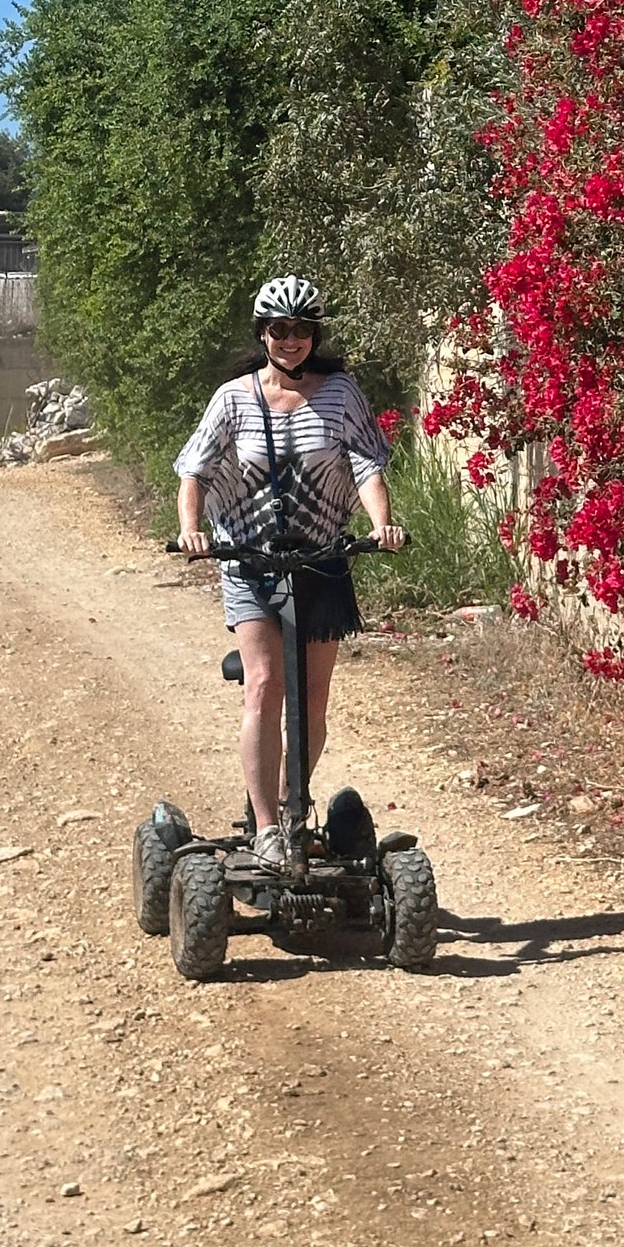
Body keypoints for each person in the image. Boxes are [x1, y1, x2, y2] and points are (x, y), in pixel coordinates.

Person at [173, 276, 406, 870]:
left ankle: (291, 804)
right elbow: (195, 472)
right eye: (280, 329)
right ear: (263, 333)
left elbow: (364, 467)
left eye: (303, 330)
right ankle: (269, 829)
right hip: (250, 561)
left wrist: (381, 523)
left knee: (312, 699)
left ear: (314, 334)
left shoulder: (341, 394)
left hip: (321, 559)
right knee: (265, 686)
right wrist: (193, 528)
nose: (292, 340)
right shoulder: (232, 399)